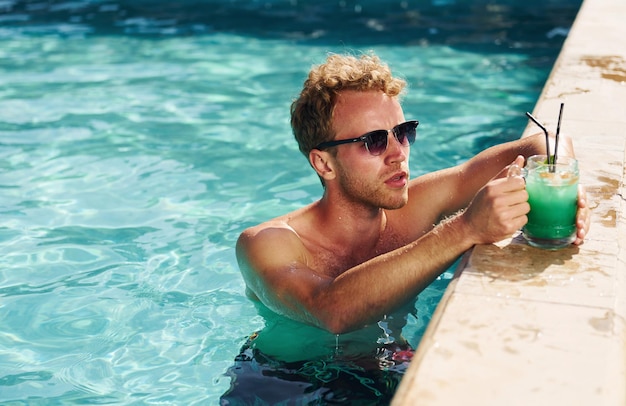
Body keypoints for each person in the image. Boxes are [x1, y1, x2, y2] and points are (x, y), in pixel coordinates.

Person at [235, 52, 590, 336]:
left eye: (402, 132)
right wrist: (465, 228)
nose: (398, 153)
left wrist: (557, 185)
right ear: (323, 163)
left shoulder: (419, 206)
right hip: (283, 384)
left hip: (387, 369)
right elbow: (332, 311)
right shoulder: (267, 244)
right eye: (373, 141)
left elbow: (546, 142)